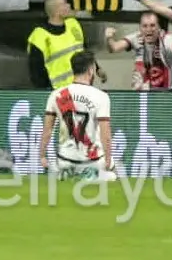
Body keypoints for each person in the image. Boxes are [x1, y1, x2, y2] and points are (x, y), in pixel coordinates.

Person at [37, 50, 116, 182]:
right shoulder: (101, 96)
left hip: (64, 159)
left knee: (64, 165)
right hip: (92, 160)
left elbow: (47, 131)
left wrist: (42, 156)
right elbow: (105, 134)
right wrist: (108, 160)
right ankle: (89, 175)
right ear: (91, 70)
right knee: (112, 174)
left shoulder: (56, 94)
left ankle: (67, 173)